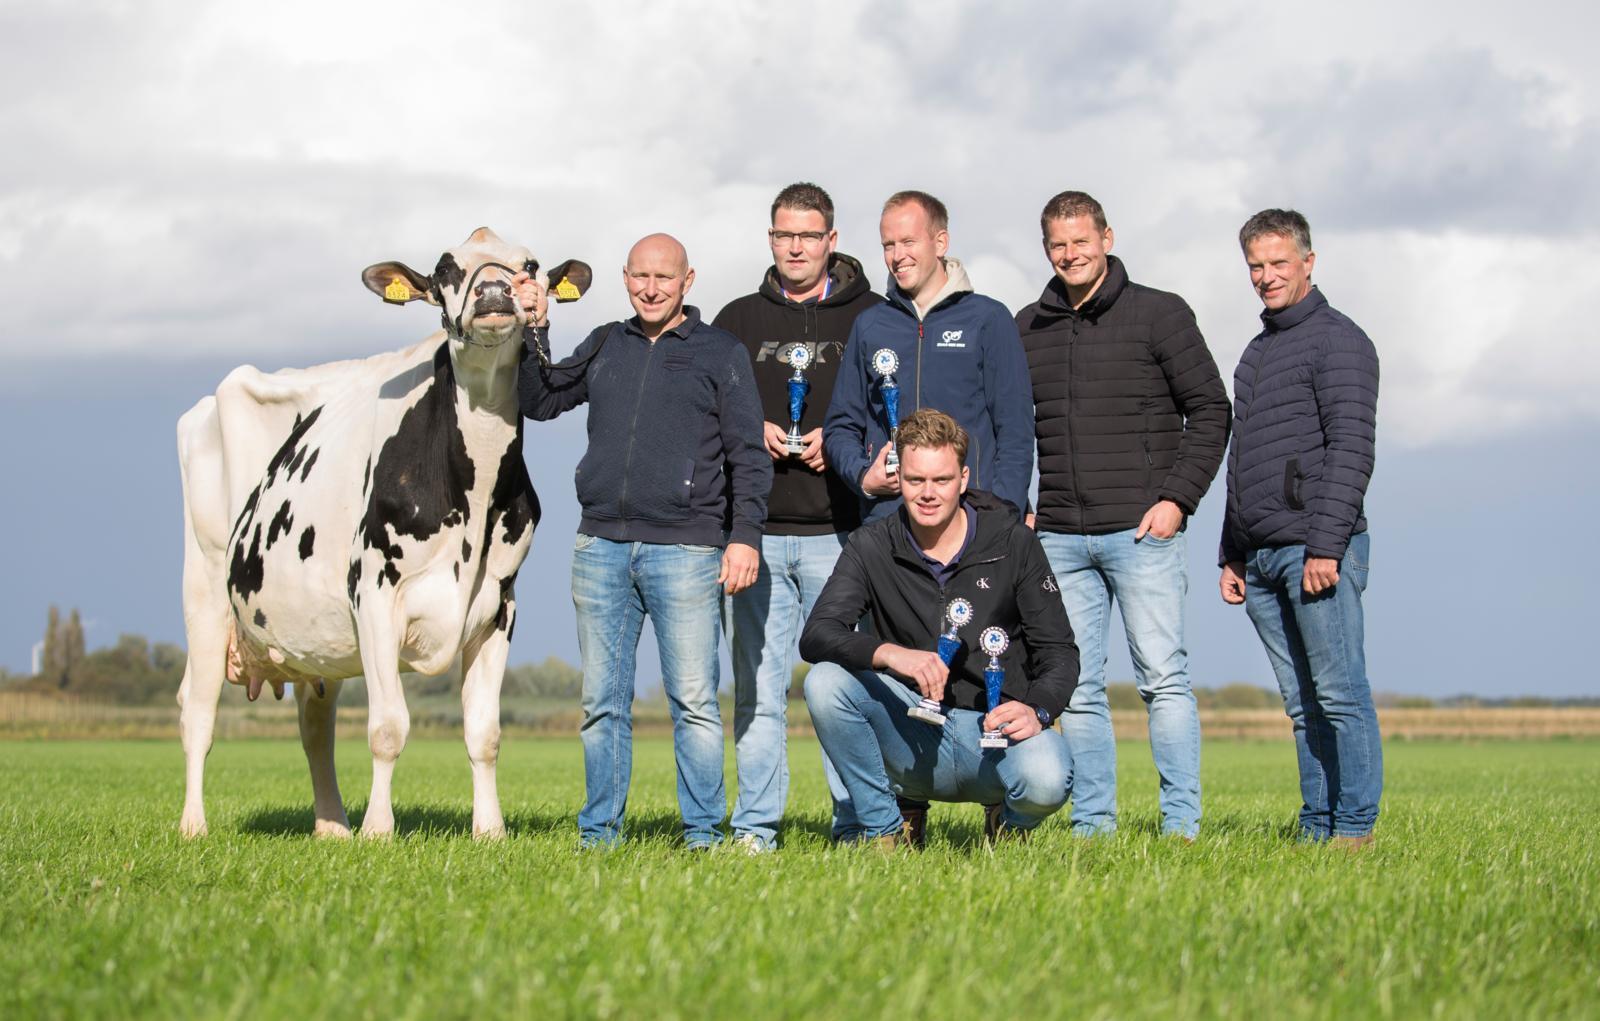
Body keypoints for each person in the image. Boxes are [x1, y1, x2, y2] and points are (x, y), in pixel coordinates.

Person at [514, 233, 770, 851]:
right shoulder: (607, 341)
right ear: (625, 278)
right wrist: (534, 329)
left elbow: (749, 455)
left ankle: (703, 835)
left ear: (688, 280)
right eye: (639, 277)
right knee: (601, 703)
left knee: (694, 703)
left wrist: (745, 539)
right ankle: (599, 834)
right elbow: (541, 400)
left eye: (664, 277)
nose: (650, 289)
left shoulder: (720, 352)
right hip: (599, 546)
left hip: (687, 550)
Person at [1015, 191, 1230, 840]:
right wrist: (1024, 509)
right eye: (1058, 244)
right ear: (1046, 248)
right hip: (1058, 535)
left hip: (1143, 533)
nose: (1071, 254)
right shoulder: (1029, 326)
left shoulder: (1160, 315)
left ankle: (1182, 825)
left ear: (1107, 237)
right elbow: (1006, 424)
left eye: (1082, 240)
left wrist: (1177, 499)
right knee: (1076, 687)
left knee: (1163, 680)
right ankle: (1094, 824)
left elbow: (1212, 410)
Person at [799, 409, 1078, 848]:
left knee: (1047, 774)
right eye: (915, 481)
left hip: (994, 734)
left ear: (964, 478)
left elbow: (1060, 652)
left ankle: (1008, 826)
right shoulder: (871, 545)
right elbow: (816, 634)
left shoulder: (1013, 542)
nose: (928, 494)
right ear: (899, 478)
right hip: (912, 731)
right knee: (825, 682)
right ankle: (885, 830)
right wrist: (890, 654)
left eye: (942, 480)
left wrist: (1038, 710)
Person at [711, 183, 881, 852]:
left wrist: (845, 446)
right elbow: (709, 411)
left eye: (808, 235)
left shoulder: (872, 315)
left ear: (832, 240)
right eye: (784, 235)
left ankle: (855, 824)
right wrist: (749, 427)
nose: (796, 246)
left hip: (844, 534)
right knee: (757, 690)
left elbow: (895, 412)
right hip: (759, 535)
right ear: (771, 238)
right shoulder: (737, 319)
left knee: (847, 689)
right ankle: (756, 828)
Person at [1218, 209, 1382, 849]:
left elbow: (1351, 450)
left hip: (1317, 551)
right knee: (1301, 706)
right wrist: (1232, 553)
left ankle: (1354, 831)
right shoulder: (1256, 352)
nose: (1265, 276)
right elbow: (1244, 461)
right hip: (1260, 557)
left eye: (1278, 263)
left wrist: (1326, 546)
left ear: (1308, 262)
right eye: (1255, 266)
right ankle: (1316, 828)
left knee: (1340, 696)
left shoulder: (1340, 342)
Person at [823, 190, 1034, 522]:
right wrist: (864, 477)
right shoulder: (870, 325)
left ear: (940, 242)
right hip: (889, 519)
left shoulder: (987, 319)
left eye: (908, 242)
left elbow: (1015, 431)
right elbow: (840, 426)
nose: (897, 255)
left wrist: (1003, 513)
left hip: (971, 520)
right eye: (888, 245)